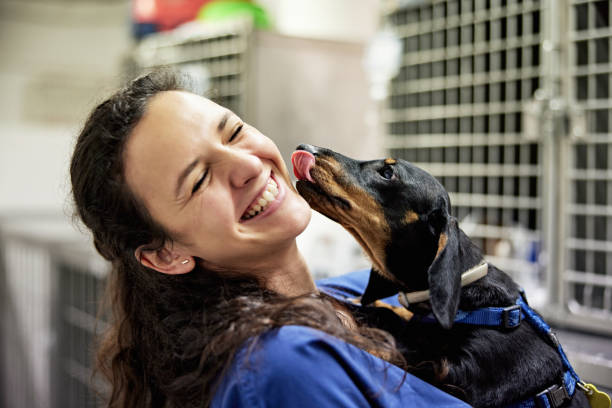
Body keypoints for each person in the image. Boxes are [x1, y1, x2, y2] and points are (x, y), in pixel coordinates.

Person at [70, 70, 468, 408]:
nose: (247, 165)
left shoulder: (347, 295)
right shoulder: (284, 366)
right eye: (199, 180)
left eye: (234, 132)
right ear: (165, 254)